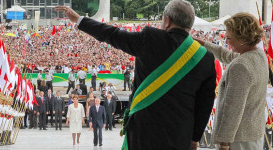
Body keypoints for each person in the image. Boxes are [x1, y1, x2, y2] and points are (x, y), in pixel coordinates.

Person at [55, 1, 216, 149]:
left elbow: (112, 34)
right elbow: (205, 104)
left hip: (143, 132)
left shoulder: (150, 38)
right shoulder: (205, 57)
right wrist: (194, 138)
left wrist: (79, 20)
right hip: (180, 135)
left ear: (166, 20)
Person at [194, 13, 268, 150]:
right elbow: (227, 55)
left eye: (229, 38)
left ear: (242, 38)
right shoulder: (258, 55)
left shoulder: (241, 65)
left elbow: (233, 109)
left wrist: (224, 143)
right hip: (251, 134)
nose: (226, 41)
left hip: (237, 140)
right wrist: (202, 43)